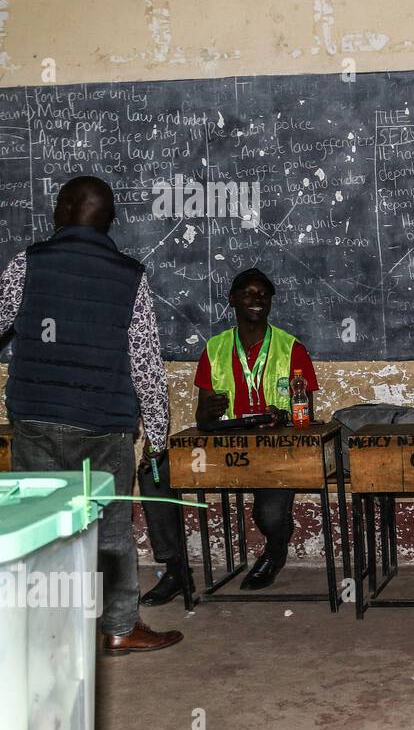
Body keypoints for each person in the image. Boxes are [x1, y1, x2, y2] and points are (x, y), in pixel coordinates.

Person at [0, 176, 183, 654]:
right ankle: (120, 627)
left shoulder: (28, 263)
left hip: (37, 418)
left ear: (63, 209)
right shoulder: (131, 276)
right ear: (109, 222)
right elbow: (145, 364)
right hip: (107, 423)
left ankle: (40, 637)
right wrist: (158, 437)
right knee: (112, 526)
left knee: (39, 528)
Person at [139, 267, 318, 598]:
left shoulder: (292, 348)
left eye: (264, 294)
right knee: (155, 473)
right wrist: (208, 413)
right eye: (249, 293)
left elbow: (305, 416)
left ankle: (276, 549)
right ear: (232, 300)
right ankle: (176, 569)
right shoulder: (216, 348)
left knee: (268, 514)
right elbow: (202, 420)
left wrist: (285, 418)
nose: (257, 299)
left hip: (274, 452)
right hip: (226, 448)